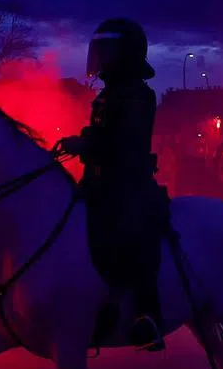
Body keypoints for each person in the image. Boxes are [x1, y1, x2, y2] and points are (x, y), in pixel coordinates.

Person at [57, 18, 168, 351]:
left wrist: (86, 145)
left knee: (132, 237)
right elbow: (103, 133)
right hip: (100, 181)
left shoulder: (136, 94)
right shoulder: (112, 93)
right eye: (99, 50)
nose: (101, 58)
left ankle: (147, 317)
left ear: (127, 54)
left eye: (108, 50)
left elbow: (124, 143)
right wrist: (85, 139)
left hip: (127, 183)